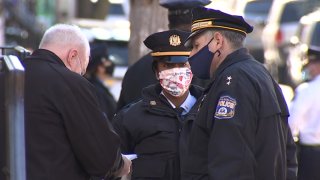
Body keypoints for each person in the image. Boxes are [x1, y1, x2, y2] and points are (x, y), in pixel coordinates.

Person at [0, 24, 131, 180]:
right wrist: (122, 164)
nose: (81, 75)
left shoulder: (6, 77)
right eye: (82, 69)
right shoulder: (71, 83)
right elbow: (102, 158)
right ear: (72, 56)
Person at [181, 7, 297, 179]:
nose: (191, 54)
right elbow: (288, 155)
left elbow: (231, 161)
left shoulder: (233, 82)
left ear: (218, 41)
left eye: (196, 46)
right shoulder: (260, 73)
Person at [112, 29, 203, 180]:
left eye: (182, 65)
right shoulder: (131, 118)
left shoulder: (210, 110)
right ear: (156, 72)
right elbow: (112, 167)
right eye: (168, 66)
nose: (176, 72)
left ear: (192, 68)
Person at [116, 0, 211, 111]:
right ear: (198, 28)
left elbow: (120, 117)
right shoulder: (205, 67)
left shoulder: (136, 68)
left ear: (169, 24)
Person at [289, 46, 320, 180]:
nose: (308, 69)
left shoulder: (306, 90)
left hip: (311, 154)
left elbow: (292, 123)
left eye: (311, 64)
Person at [85, 44, 117, 120]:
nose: (110, 64)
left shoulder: (97, 86)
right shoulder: (97, 90)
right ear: (100, 68)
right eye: (107, 61)